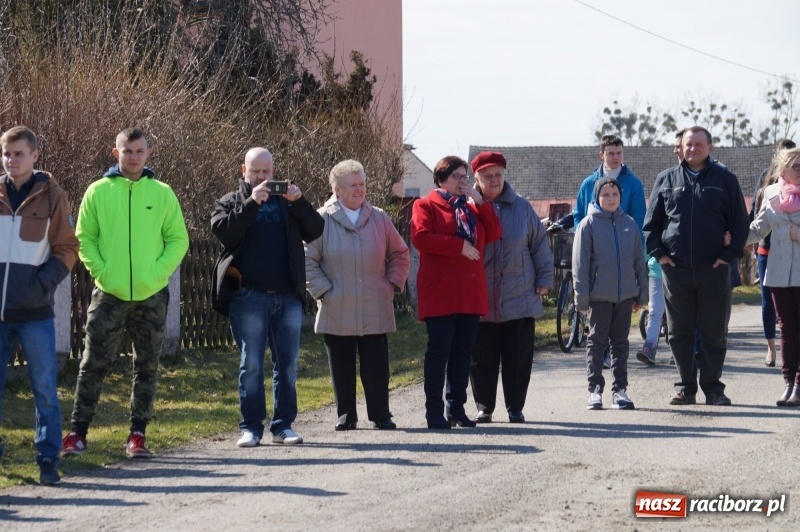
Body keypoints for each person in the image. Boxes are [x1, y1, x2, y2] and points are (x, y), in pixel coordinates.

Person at [62, 128, 189, 459]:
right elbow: (84, 238)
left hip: (152, 295)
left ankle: (137, 435)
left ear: (148, 153)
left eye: (139, 150)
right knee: (93, 363)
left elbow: (178, 239)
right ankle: (77, 434)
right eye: (127, 150)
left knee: (146, 365)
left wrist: (157, 273)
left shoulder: (162, 193)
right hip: (109, 294)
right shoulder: (97, 192)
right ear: (114, 152)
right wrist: (103, 272)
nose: (133, 156)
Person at [211, 147, 323, 447]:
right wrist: (251, 204)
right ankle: (250, 427)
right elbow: (224, 232)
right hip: (248, 296)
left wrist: (299, 202)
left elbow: (315, 230)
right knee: (251, 364)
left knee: (287, 364)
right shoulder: (231, 201)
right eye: (256, 171)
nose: (262, 177)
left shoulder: (287, 202)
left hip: (287, 296)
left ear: (274, 172)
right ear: (243, 171)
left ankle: (283, 425)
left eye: (267, 172)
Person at [643, 126, 749, 406]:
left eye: (699, 144)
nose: (693, 149)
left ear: (710, 147)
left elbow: (740, 224)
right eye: (689, 144)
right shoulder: (666, 180)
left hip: (714, 269)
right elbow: (650, 226)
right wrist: (660, 256)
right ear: (681, 147)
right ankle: (685, 387)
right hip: (675, 272)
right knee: (679, 333)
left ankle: (714, 388)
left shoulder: (725, 180)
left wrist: (727, 256)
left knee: (714, 332)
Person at [305, 160, 410, 431]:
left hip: (375, 304)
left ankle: (380, 414)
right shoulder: (320, 219)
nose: (360, 190)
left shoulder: (379, 217)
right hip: (336, 304)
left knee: (376, 365)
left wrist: (391, 284)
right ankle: (346, 416)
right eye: (353, 185)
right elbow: (307, 260)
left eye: (362, 184)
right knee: (341, 365)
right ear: (337, 189)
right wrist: (325, 292)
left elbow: (400, 253)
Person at [0, 126, 79, 484]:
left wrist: (41, 286)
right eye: (6, 154)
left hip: (35, 314)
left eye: (18, 153)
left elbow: (67, 248)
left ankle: (48, 460)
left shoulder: (52, 196)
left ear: (34, 156)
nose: (11, 160)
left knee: (44, 390)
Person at [410, 155, 501, 429]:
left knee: (463, 353)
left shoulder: (472, 209)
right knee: (439, 353)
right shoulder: (425, 204)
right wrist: (458, 246)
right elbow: (421, 237)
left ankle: (457, 409)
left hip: (469, 292)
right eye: (456, 177)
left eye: (465, 176)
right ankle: (434, 411)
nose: (462, 182)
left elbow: (495, 232)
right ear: (441, 180)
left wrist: (482, 202)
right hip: (441, 293)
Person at [468, 151, 553, 424]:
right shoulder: (467, 208)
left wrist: (544, 279)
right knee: (482, 357)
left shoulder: (522, 207)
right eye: (487, 175)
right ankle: (484, 407)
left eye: (498, 175)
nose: (494, 180)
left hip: (520, 295)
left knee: (517, 357)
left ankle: (515, 407)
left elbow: (539, 245)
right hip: (482, 297)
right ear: (476, 178)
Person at [573, 178, 647, 410]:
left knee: (621, 343)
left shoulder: (630, 224)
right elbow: (580, 265)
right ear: (597, 197)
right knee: (597, 342)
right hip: (599, 296)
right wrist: (581, 299)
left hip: (625, 296)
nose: (611, 198)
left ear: (620, 197)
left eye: (615, 193)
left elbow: (638, 261)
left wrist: (641, 295)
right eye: (605, 194)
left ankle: (620, 390)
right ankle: (595, 390)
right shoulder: (588, 225)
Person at [574, 134, 646, 369]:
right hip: (595, 257)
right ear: (601, 155)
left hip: (621, 258)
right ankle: (596, 367)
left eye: (619, 153)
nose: (615, 158)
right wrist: (583, 240)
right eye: (610, 153)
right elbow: (579, 215)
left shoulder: (633, 184)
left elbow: (639, 219)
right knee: (598, 322)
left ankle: (616, 372)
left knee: (618, 328)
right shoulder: (588, 183)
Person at [748, 147, 800, 406]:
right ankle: (789, 382)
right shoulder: (770, 194)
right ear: (782, 169)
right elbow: (758, 228)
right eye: (796, 166)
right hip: (778, 274)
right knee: (787, 330)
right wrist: (729, 240)